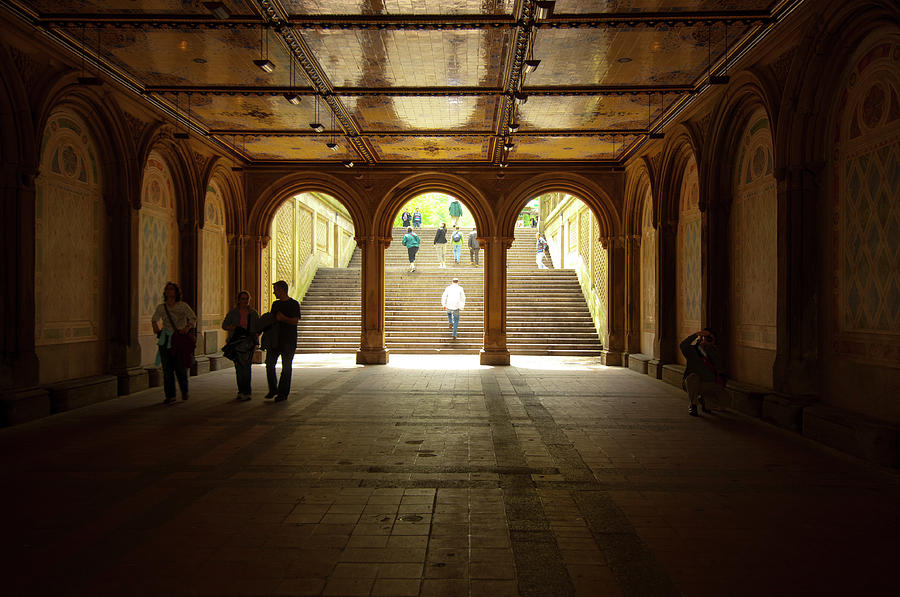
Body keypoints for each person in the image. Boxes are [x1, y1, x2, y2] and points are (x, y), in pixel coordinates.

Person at [151, 282, 197, 405]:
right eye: (167, 289)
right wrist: (155, 326)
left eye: (172, 289)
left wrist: (187, 328)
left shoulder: (182, 306)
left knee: (180, 368)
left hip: (179, 339)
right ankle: (170, 395)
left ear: (176, 292)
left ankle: (184, 390)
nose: (169, 291)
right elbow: (154, 318)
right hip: (166, 339)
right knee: (167, 369)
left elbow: (193, 318)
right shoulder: (162, 307)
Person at [263, 280, 300, 402]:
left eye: (276, 289)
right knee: (269, 364)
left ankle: (283, 393)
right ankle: (273, 389)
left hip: (288, 340)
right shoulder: (275, 304)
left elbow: (295, 321)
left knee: (286, 368)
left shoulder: (294, 304)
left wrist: (283, 318)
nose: (274, 292)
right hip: (275, 340)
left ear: (283, 290)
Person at [680, 329, 729, 417]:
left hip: (706, 383)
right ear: (701, 338)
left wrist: (712, 348)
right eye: (707, 338)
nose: (708, 340)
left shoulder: (713, 351)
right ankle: (693, 404)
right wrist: (696, 334)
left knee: (725, 398)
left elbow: (719, 367)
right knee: (693, 377)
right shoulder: (692, 351)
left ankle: (706, 402)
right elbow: (683, 345)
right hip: (691, 383)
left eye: (711, 338)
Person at [222, 290, 259, 401]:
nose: (244, 301)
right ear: (238, 300)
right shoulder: (233, 313)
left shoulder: (253, 313)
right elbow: (224, 325)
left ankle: (247, 391)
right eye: (242, 299)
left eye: (246, 299)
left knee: (246, 367)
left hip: (248, 342)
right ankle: (241, 391)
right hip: (237, 342)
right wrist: (234, 327)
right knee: (239, 368)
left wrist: (255, 339)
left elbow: (258, 328)